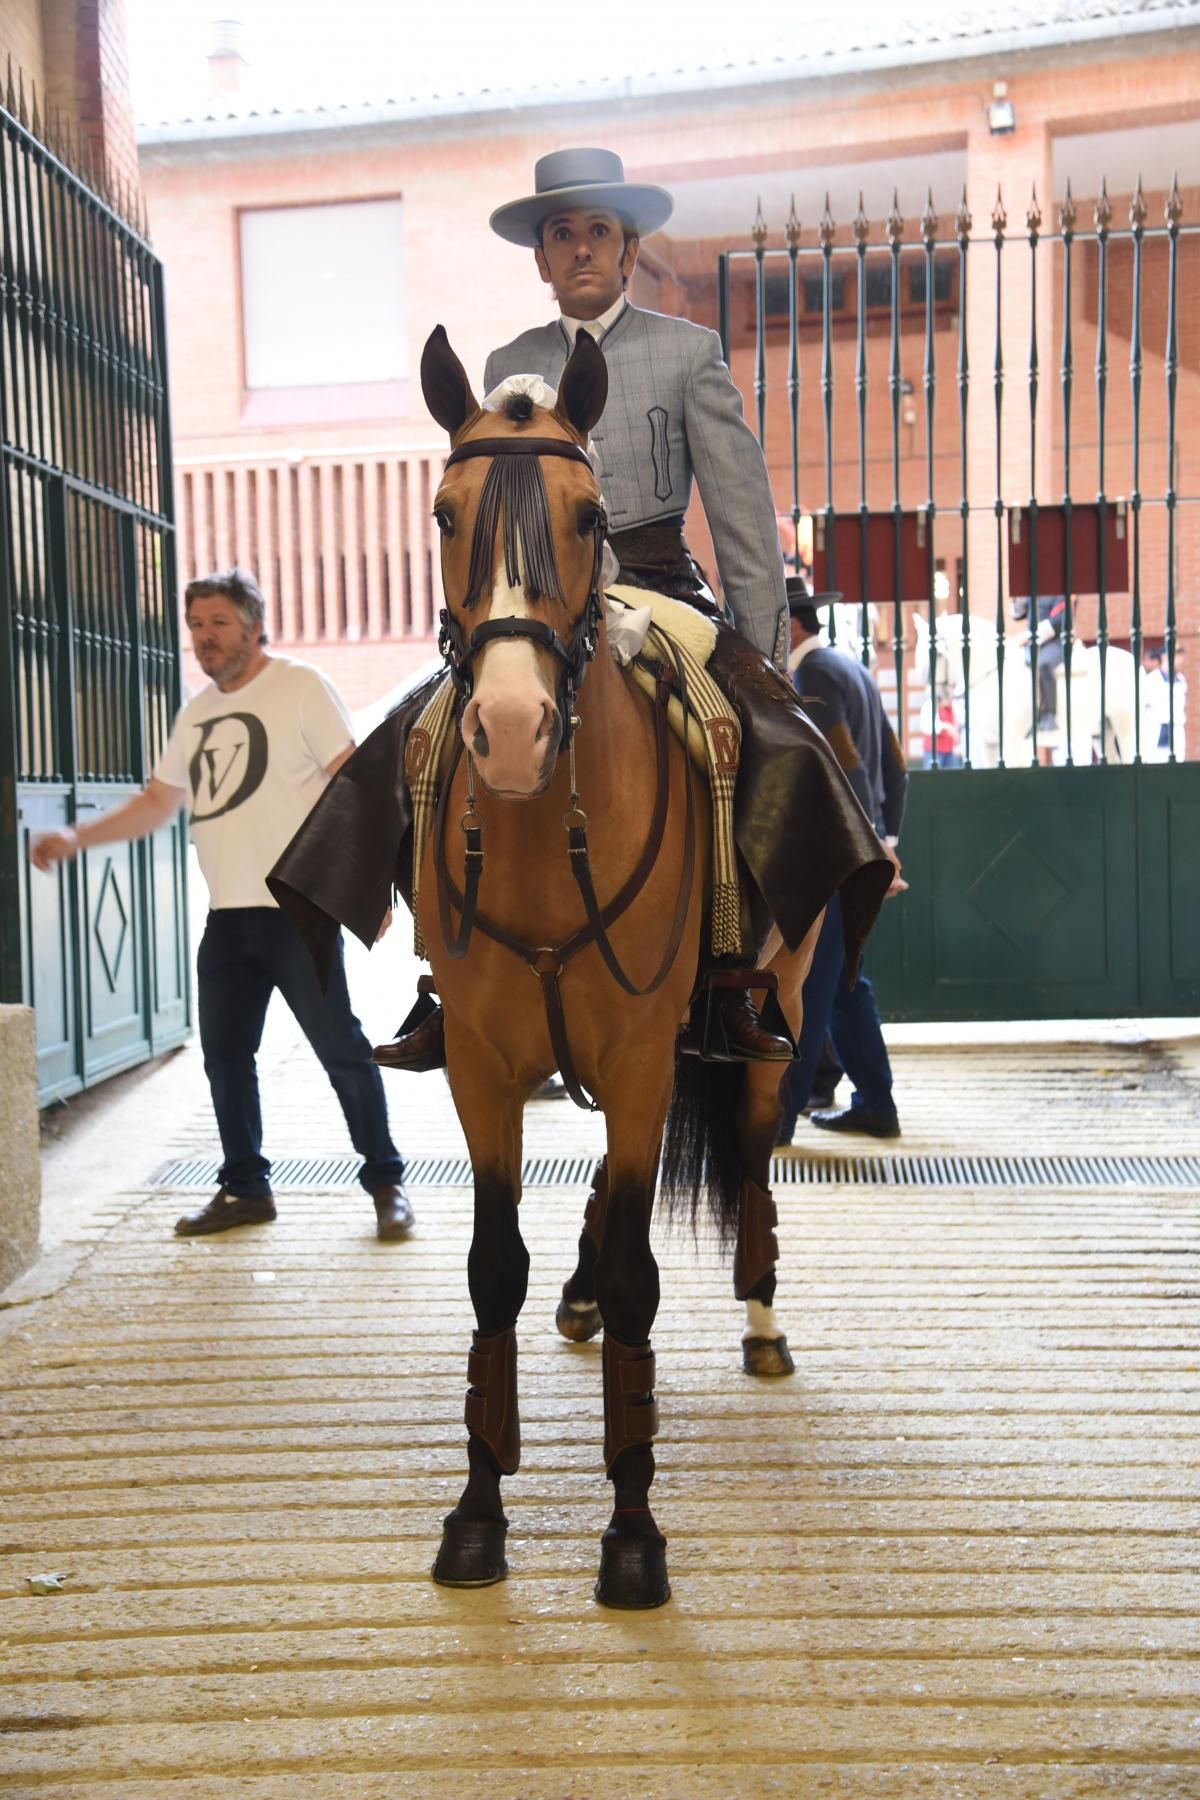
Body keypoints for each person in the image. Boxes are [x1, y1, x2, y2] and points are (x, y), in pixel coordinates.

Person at [379, 146, 815, 1073]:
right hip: (533, 604)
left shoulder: (688, 353)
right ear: (541, 259)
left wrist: (762, 654)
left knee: (748, 737)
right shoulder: (505, 366)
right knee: (419, 738)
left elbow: (740, 513)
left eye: (599, 234)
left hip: (660, 586)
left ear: (629, 249)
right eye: (562, 235)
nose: (581, 250)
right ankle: (441, 978)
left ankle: (736, 974)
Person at [30, 569, 413, 1241]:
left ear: (254, 627)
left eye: (218, 624)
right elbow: (157, 804)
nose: (204, 638)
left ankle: (387, 1184)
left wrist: (369, 883)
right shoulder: (196, 713)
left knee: (341, 1050)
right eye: (196, 626)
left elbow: (352, 786)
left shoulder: (299, 688)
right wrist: (76, 837)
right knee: (226, 1058)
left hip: (298, 910)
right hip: (227, 919)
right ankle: (244, 1189)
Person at [777, 586, 908, 1143]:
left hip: (836, 850)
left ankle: (776, 1123)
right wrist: (887, 835)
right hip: (859, 847)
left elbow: (844, 763)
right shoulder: (850, 668)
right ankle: (875, 1100)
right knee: (843, 982)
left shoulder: (813, 676)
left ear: (791, 628)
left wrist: (870, 842)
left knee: (814, 981)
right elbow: (895, 762)